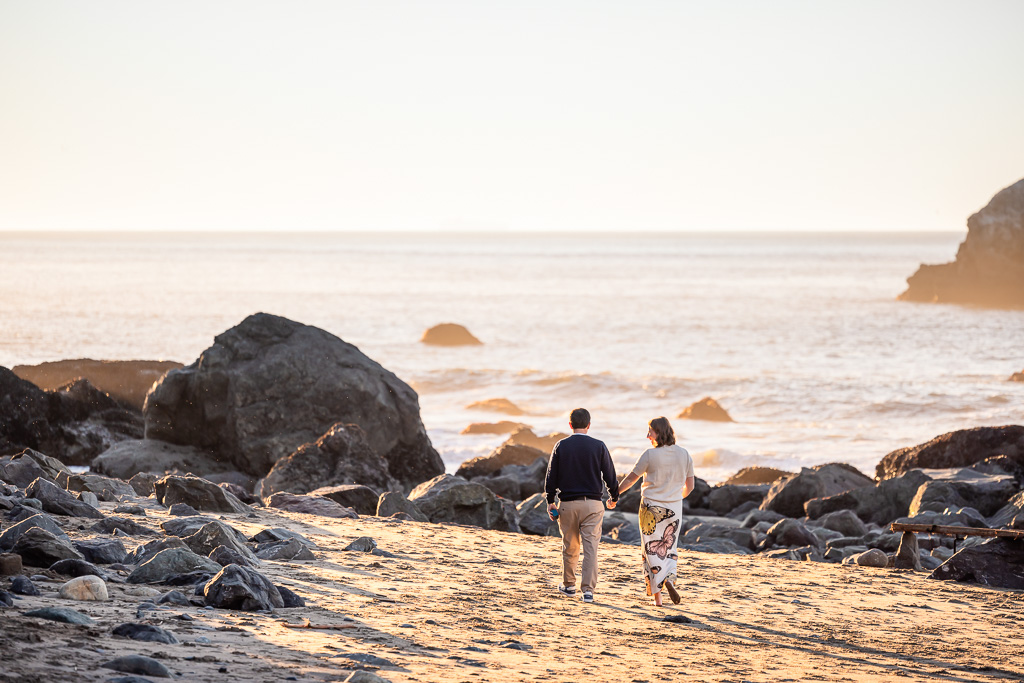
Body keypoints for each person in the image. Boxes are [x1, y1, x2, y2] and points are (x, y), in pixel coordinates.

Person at [613, 416, 694, 607]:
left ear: (659, 432)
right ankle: (670, 580)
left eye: (650, 431)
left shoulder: (649, 455)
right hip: (674, 509)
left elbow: (631, 479)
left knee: (650, 550)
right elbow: (690, 487)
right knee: (669, 548)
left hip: (650, 509)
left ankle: (658, 599)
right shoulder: (685, 454)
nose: (647, 435)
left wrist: (614, 494)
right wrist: (674, 498)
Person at [544, 407, 619, 604]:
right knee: (591, 548)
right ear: (589, 425)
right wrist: (614, 496)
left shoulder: (561, 446)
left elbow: (551, 477)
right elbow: (610, 475)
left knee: (570, 545)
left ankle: (569, 586)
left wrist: (550, 501)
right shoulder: (599, 446)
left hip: (567, 504)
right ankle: (588, 591)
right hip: (593, 504)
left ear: (570, 425)